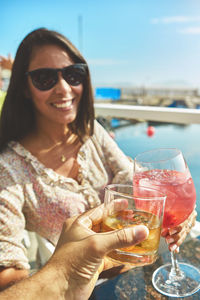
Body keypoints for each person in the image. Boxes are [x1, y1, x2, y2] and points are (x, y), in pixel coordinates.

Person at [0, 27, 196, 290]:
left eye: (73, 74)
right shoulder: (9, 168)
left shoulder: (91, 132)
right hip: (79, 287)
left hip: (134, 263)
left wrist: (173, 213)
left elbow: (130, 178)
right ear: (24, 88)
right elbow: (7, 274)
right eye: (44, 78)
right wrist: (64, 274)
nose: (64, 88)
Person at [0, 205, 149, 299]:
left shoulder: (94, 152)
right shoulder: (9, 171)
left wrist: (168, 215)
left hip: (125, 265)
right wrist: (63, 279)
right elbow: (7, 272)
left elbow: (131, 180)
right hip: (96, 280)